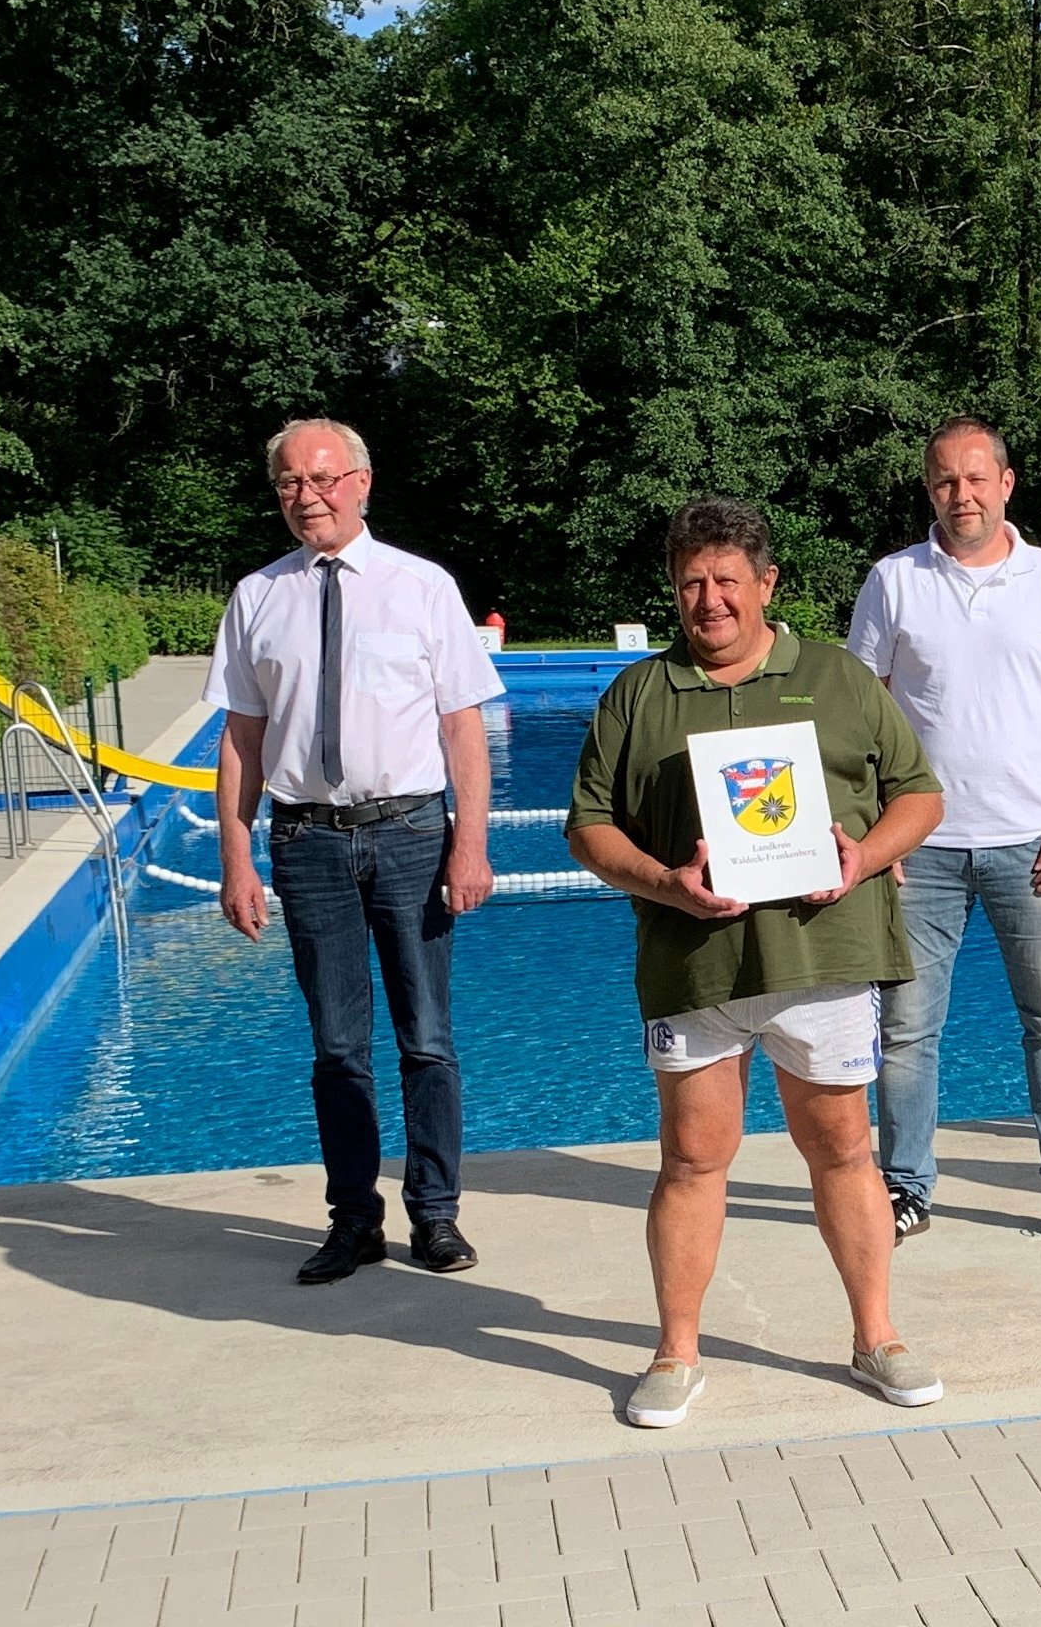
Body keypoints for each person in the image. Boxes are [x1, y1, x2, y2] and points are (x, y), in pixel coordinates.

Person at [567, 498, 949, 1428]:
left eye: (727, 580)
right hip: (694, 960)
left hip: (823, 956)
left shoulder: (839, 677)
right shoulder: (638, 694)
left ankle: (877, 1337)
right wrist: (665, 879)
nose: (710, 600)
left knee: (844, 1150)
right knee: (693, 1159)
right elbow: (587, 826)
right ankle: (676, 1352)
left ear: (767, 585)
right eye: (692, 582)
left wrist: (861, 855)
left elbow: (921, 795)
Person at [205, 419, 503, 1285]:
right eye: (292, 484)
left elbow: (462, 726)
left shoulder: (422, 587)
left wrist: (470, 843)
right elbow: (242, 737)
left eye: (324, 479)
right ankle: (354, 1219)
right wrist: (236, 854)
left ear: (362, 483)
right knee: (337, 1044)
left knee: (427, 1038)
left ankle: (436, 1216)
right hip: (308, 841)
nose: (310, 497)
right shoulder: (258, 597)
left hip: (412, 833)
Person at [846, 418, 1041, 1249]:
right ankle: (904, 1188)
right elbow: (860, 716)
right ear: (928, 489)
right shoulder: (893, 581)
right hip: (920, 847)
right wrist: (875, 836)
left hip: (1031, 840)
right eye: (943, 481)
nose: (960, 495)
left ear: (1006, 483)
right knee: (906, 1030)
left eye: (974, 479)